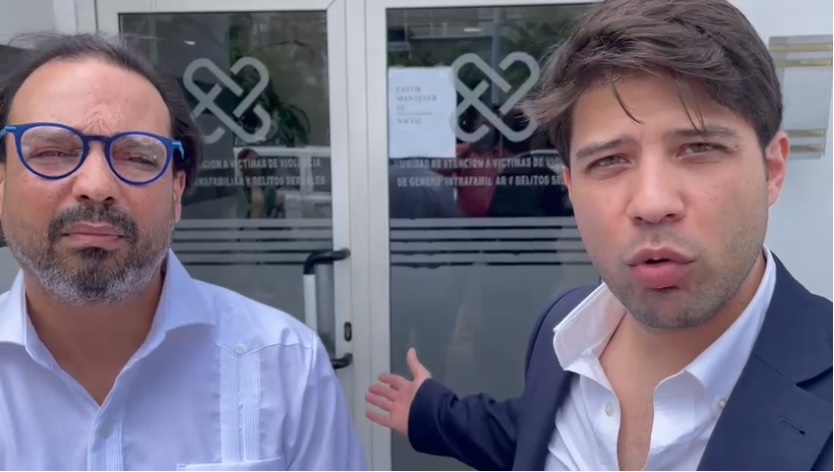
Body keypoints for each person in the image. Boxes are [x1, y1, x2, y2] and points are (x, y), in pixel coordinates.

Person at [364, 0, 833, 470]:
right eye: (609, 160)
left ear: (772, 170)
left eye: (698, 148)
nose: (651, 203)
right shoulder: (565, 330)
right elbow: (530, 433)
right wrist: (431, 412)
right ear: (571, 188)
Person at [0, 33, 367, 470]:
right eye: (53, 151)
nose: (96, 186)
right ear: (2, 184)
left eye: (138, 157)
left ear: (177, 193)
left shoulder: (286, 367)